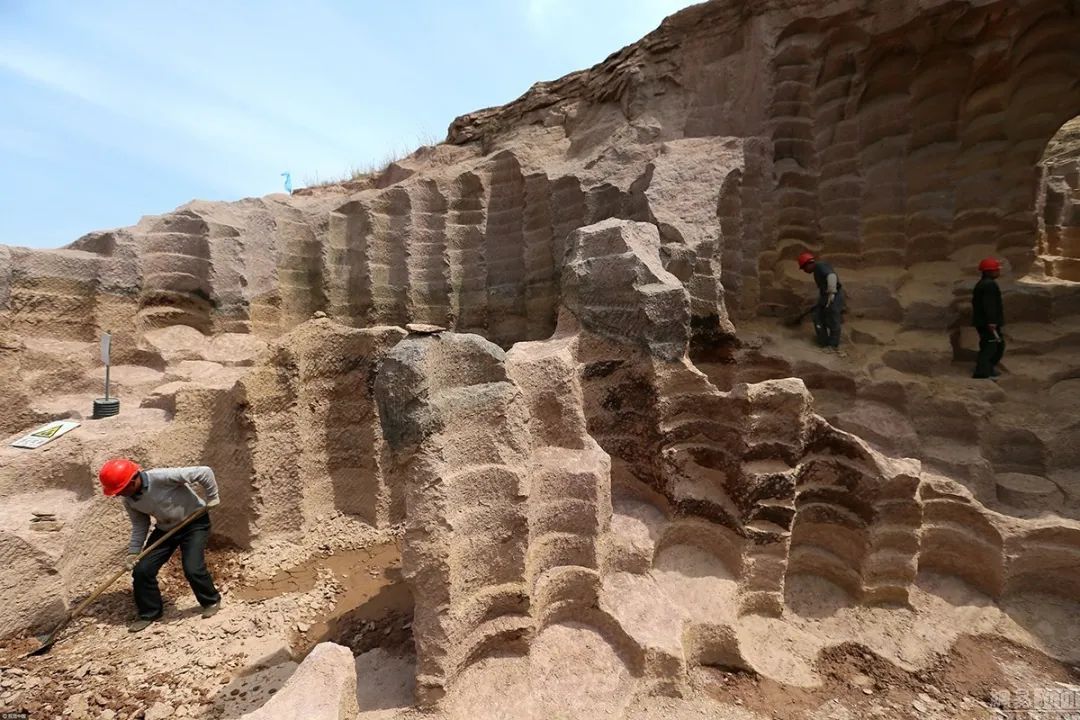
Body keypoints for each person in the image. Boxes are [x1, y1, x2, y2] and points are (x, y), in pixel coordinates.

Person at [98, 459, 222, 632]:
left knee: (192, 567)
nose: (119, 495)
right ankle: (150, 613)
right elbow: (140, 525)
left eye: (121, 490)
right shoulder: (130, 500)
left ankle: (211, 600)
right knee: (142, 570)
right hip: (166, 529)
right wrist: (133, 553)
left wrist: (212, 495)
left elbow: (204, 471)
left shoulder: (161, 477)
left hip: (194, 522)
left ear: (134, 479)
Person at [797, 252, 844, 350]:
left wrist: (831, 292)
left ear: (809, 263)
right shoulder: (817, 270)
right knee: (817, 315)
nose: (804, 271)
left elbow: (831, 276)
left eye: (804, 268)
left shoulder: (820, 266)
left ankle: (832, 345)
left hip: (834, 295)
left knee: (833, 317)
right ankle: (823, 342)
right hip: (825, 296)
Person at [972, 257, 1005, 379]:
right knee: (990, 347)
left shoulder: (983, 284)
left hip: (984, 322)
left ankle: (988, 369)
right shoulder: (989, 285)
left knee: (994, 345)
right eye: (995, 270)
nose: (998, 272)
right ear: (989, 272)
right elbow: (989, 305)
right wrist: (992, 322)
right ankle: (982, 372)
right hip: (988, 323)